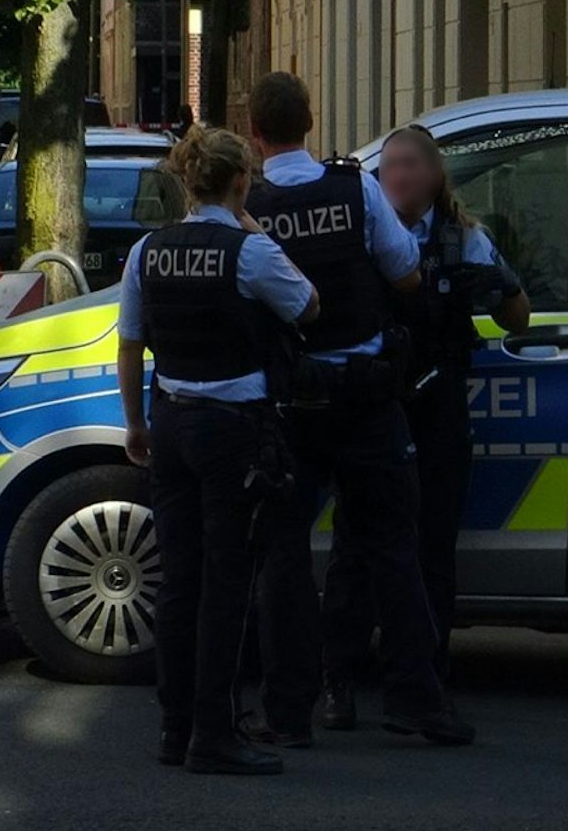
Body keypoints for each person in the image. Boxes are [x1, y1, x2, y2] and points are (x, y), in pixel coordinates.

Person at [243, 73, 475, 747]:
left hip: (288, 406)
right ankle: (417, 699)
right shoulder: (355, 188)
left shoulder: (250, 206)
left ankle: (287, 713)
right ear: (311, 120)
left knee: (284, 559)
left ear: (256, 133)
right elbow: (405, 272)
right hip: (368, 399)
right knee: (395, 549)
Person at [118, 126, 319, 776]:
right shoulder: (249, 252)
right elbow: (309, 306)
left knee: (178, 581)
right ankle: (214, 731)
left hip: (169, 420)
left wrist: (136, 426)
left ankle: (174, 727)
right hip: (232, 428)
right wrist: (250, 226)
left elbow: (130, 342)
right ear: (240, 183)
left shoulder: (147, 250)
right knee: (225, 584)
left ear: (185, 180)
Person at [318, 124, 531, 725]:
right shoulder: (358, 236)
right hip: (374, 409)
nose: (399, 176)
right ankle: (339, 682)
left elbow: (519, 319)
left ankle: (424, 680)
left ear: (437, 176)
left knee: (433, 549)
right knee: (354, 548)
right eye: (389, 167)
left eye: (411, 165)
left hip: (437, 407)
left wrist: (500, 286)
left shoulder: (465, 239)